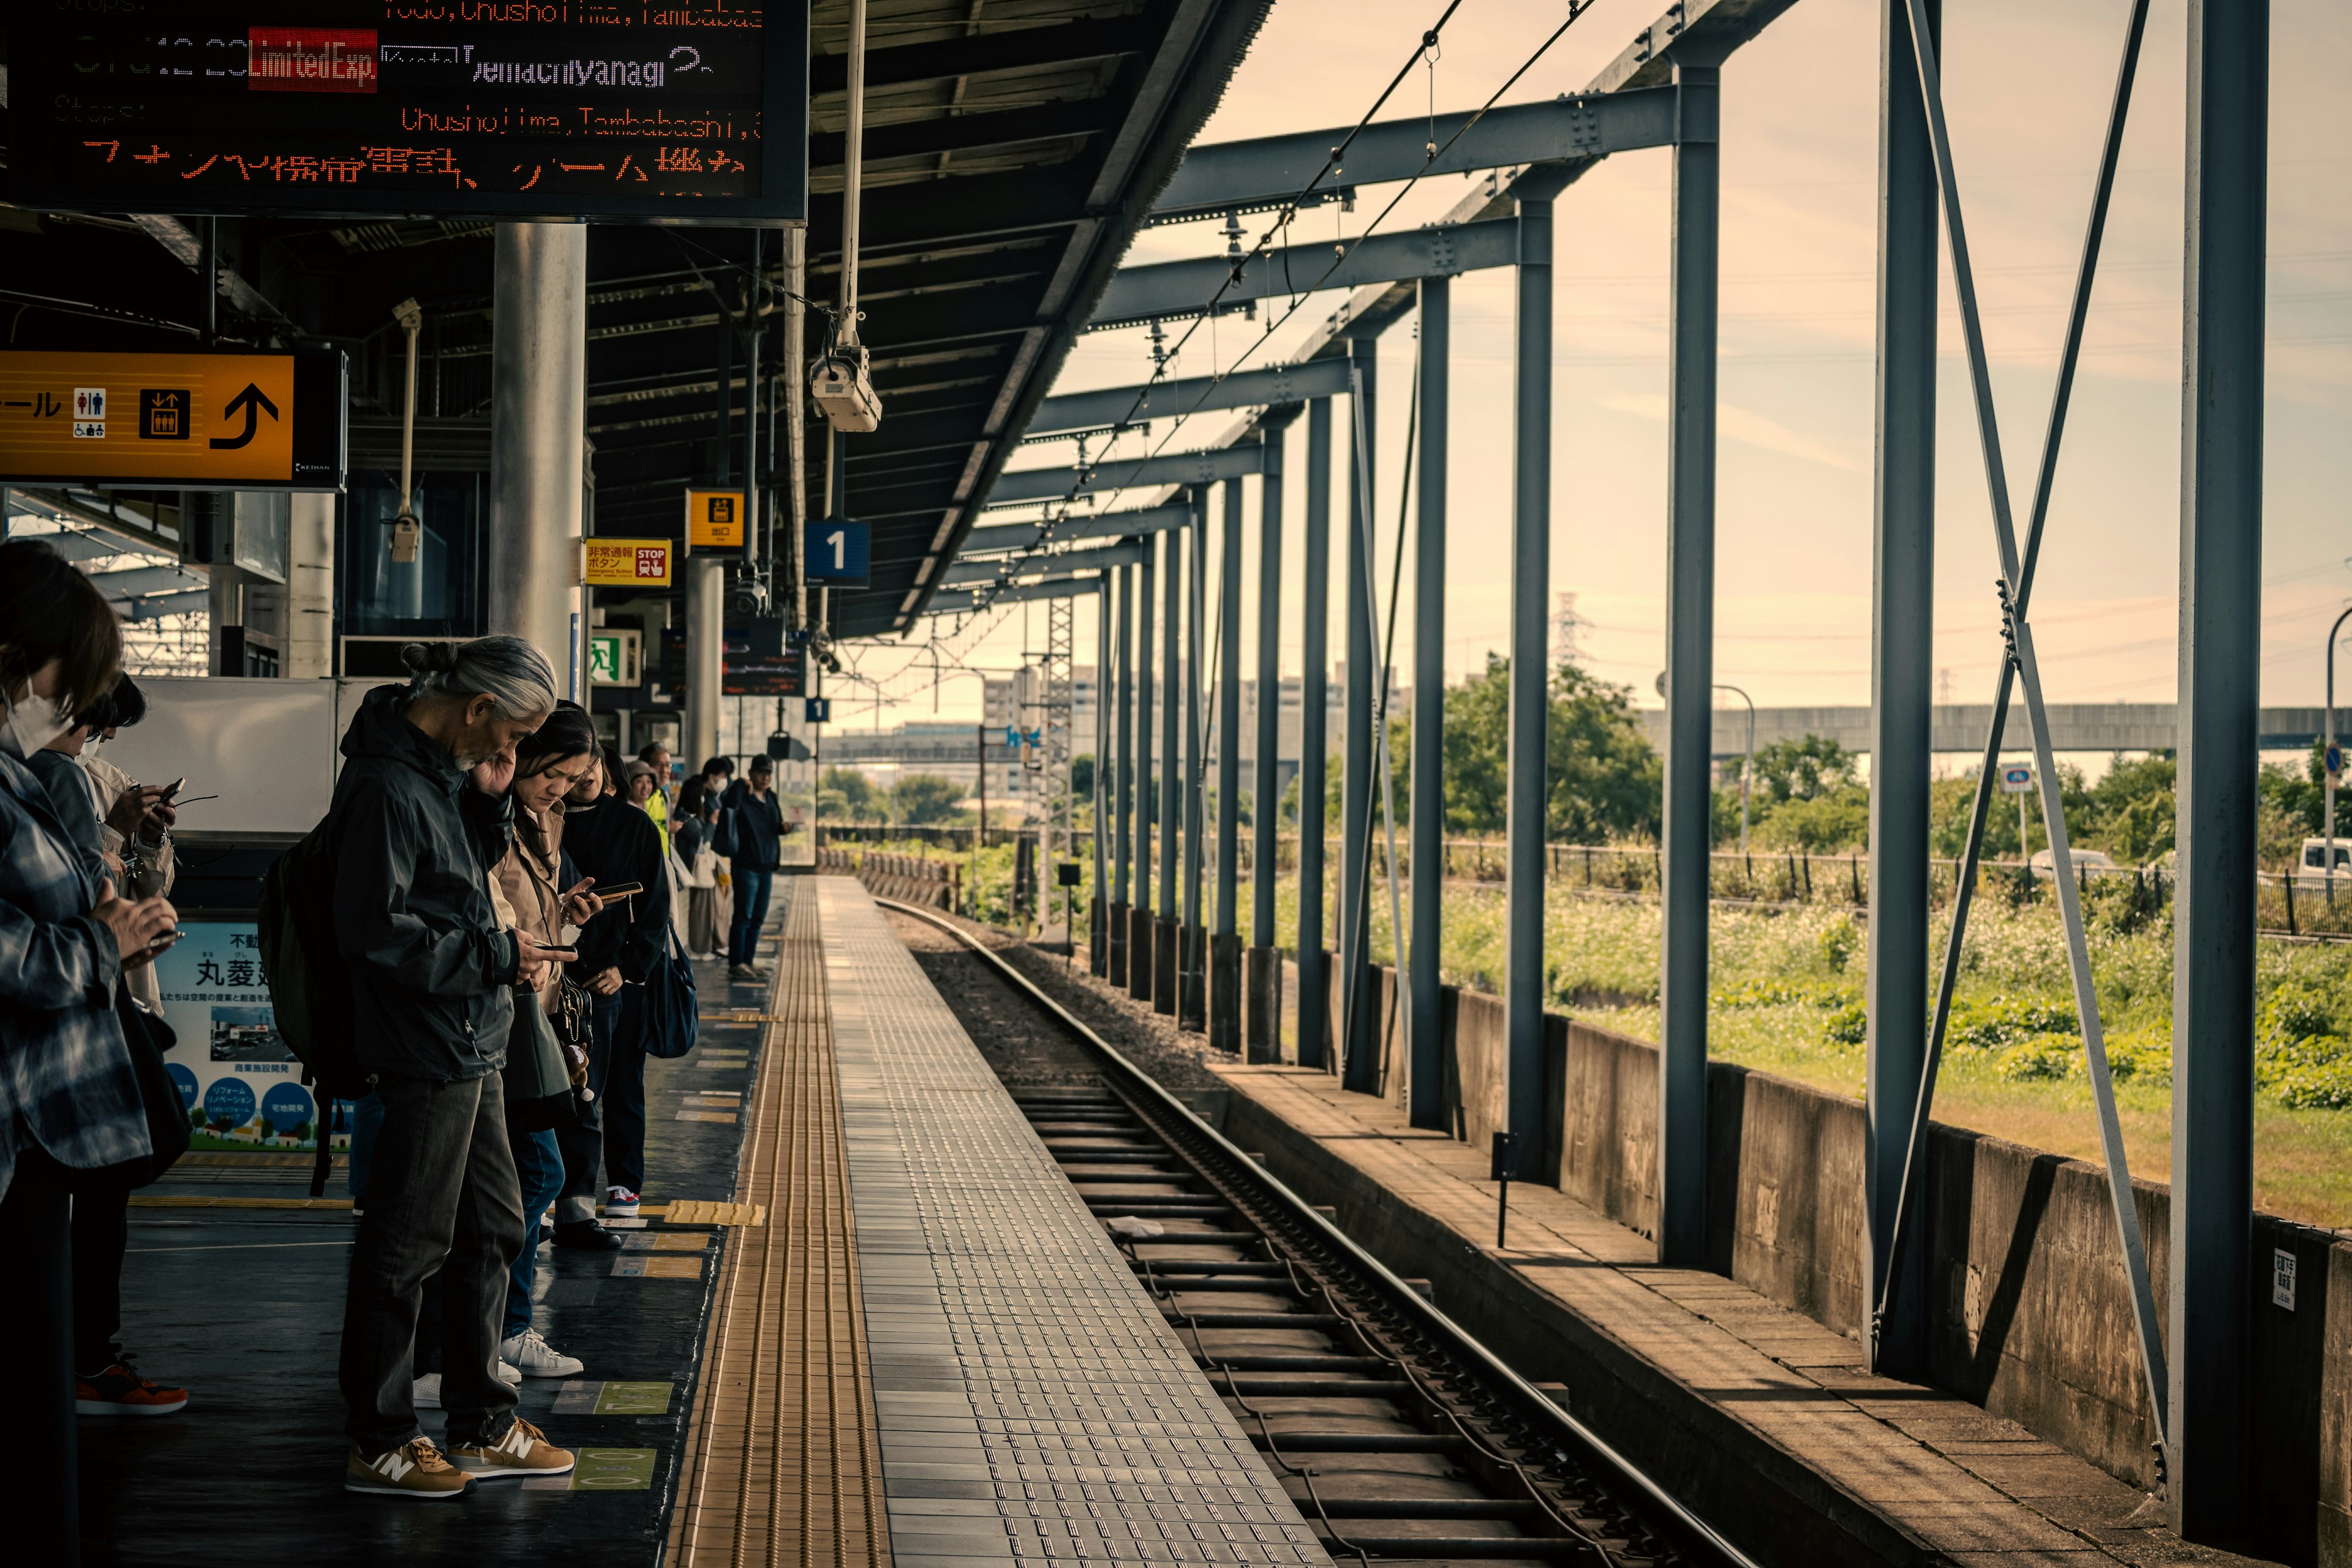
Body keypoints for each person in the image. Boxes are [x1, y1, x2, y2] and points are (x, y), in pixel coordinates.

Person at [332, 637, 575, 1498]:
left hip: (469, 1037)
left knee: (492, 1227)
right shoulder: (389, 787)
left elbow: (458, 883)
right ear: (476, 708)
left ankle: (479, 1417)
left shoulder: (439, 779)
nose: (510, 753)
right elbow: (375, 932)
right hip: (424, 1042)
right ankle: (383, 1435)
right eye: (508, 735)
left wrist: (493, 800)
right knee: (409, 1241)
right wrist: (494, 955)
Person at [0, 539, 177, 1564]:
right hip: (16, 1121)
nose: (61, 696)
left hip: (29, 1125)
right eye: (69, 668)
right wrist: (96, 943)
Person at [22, 689, 192, 1419]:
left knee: (97, 1183)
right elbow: (76, 897)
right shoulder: (49, 775)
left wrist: (141, 840)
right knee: (105, 1173)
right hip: (85, 999)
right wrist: (115, 845)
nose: (100, 733)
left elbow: (136, 885)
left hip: (107, 990)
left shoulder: (96, 777)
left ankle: (80, 1354)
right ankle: (81, 1357)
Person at [478, 704, 606, 1381]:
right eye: (555, 773)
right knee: (535, 1176)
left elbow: (536, 926)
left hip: (532, 1023)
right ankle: (496, 1329)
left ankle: (506, 1327)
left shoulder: (542, 825)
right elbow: (494, 924)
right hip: (497, 1028)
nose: (560, 789)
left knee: (530, 1177)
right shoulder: (488, 820)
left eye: (574, 779)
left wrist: (571, 915)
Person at [554, 747, 666, 1235]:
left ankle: (607, 1190)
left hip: (609, 980)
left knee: (608, 1086)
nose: (587, 776)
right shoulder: (541, 819)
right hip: (549, 975)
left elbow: (656, 908)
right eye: (573, 768)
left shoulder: (635, 825)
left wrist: (627, 966)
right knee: (556, 1089)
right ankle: (555, 1194)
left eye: (593, 764)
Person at [722, 756, 786, 982]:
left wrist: (784, 828)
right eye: (761, 772)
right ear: (751, 773)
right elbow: (728, 804)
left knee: (758, 918)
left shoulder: (771, 797)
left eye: (769, 773)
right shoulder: (743, 796)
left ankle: (748, 961)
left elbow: (774, 825)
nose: (766, 777)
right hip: (746, 866)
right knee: (744, 916)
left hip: (766, 866)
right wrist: (740, 785)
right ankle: (736, 963)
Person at [635, 742, 673, 855]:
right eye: (658, 764)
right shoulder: (640, 795)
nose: (664, 770)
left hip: (663, 863)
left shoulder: (664, 796)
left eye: (668, 765)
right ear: (645, 765)